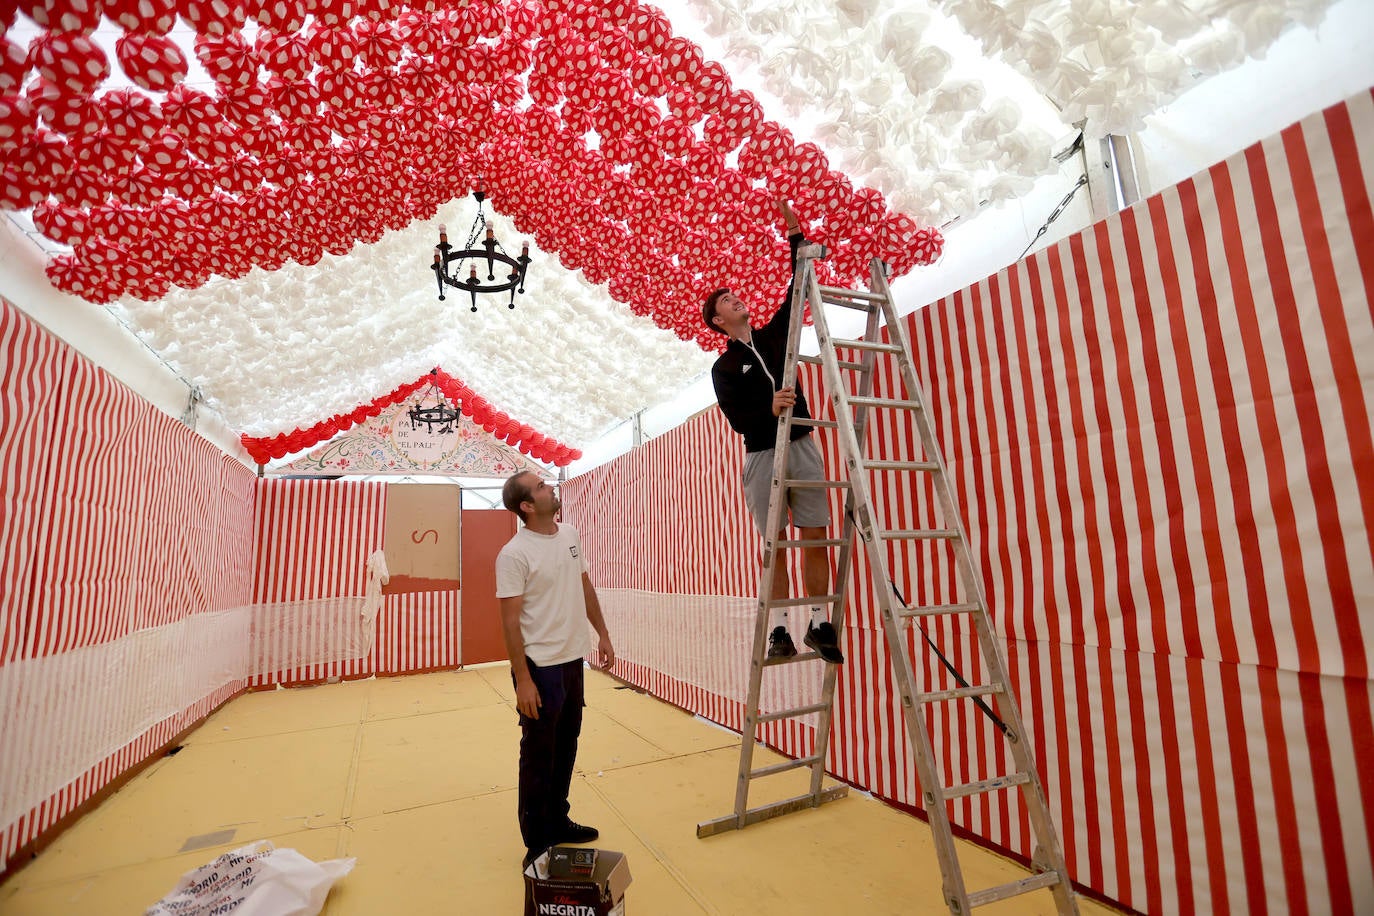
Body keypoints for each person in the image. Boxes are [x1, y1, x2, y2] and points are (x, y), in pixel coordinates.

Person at [702, 199, 844, 665]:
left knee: (816, 535)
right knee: (776, 543)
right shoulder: (723, 367)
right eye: (725, 300)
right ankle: (779, 629)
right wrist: (769, 405)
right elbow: (738, 419)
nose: (735, 298)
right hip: (763, 455)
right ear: (719, 322)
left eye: (734, 294)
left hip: (802, 444)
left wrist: (795, 235)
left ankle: (819, 621)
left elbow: (797, 287)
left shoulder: (772, 335)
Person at [496, 471, 616, 870]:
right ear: (527, 506)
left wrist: (602, 633)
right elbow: (510, 623)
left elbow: (583, 586)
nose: (551, 487)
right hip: (539, 667)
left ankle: (558, 820)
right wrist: (524, 680)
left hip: (571, 660)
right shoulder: (514, 554)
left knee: (566, 745)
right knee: (538, 753)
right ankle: (537, 840)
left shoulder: (570, 535)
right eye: (542, 487)